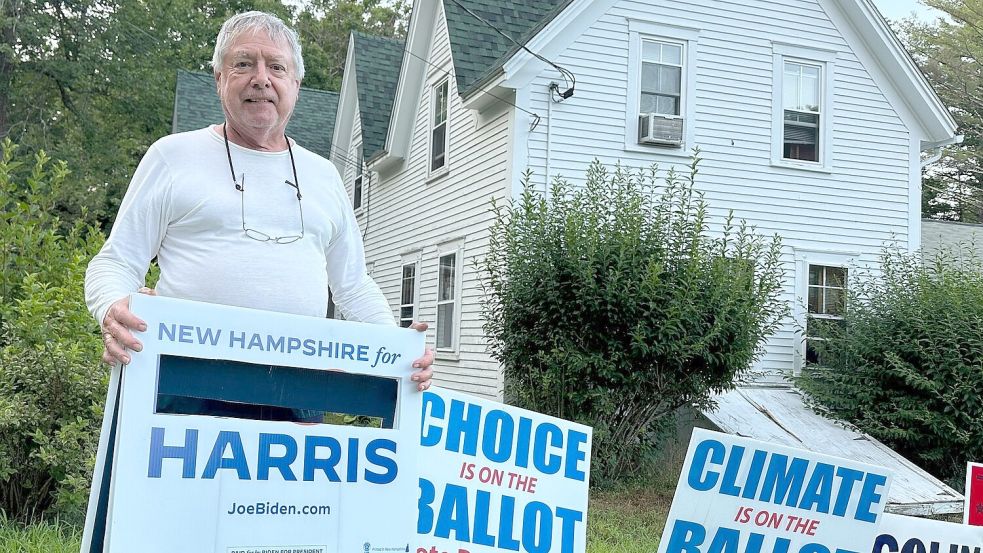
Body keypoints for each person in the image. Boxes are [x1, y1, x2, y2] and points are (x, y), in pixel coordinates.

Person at [85, 11, 434, 393]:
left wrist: (398, 350)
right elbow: (116, 261)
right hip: (183, 384)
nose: (261, 79)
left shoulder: (324, 176)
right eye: (244, 64)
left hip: (298, 389)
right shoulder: (172, 157)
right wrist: (112, 308)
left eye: (276, 67)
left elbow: (352, 286)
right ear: (219, 79)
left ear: (295, 84)